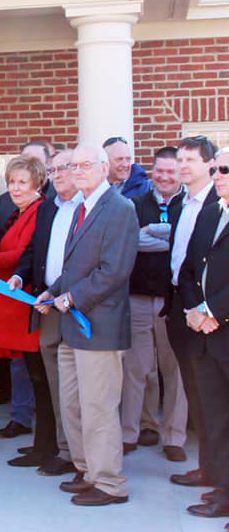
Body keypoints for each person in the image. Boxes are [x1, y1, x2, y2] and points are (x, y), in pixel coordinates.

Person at [35, 143, 139, 506]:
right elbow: (73, 269)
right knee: (74, 406)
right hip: (72, 327)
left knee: (98, 408)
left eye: (85, 165)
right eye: (72, 166)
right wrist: (52, 292)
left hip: (99, 327)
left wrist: (72, 298)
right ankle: (88, 471)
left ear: (104, 167)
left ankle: (110, 484)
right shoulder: (82, 207)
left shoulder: (120, 209)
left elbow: (114, 271)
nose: (78, 171)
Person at [0, 156, 52, 467]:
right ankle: (40, 445)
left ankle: (46, 447)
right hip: (13, 305)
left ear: (37, 184)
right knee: (32, 375)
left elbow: (23, 253)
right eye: (12, 182)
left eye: (22, 182)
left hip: (26, 303)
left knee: (40, 379)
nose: (15, 188)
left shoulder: (39, 211)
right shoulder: (19, 212)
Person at [8, 149, 81, 476]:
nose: (60, 173)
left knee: (77, 389)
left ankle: (74, 455)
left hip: (79, 308)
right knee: (52, 384)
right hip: (48, 306)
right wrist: (22, 277)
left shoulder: (89, 208)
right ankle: (59, 449)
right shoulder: (52, 208)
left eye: (66, 167)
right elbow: (34, 252)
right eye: (55, 169)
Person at [122, 146, 188, 462]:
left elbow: (188, 242)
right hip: (136, 296)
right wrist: (165, 238)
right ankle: (131, 432)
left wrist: (152, 236)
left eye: (171, 172)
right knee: (135, 369)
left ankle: (174, 436)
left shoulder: (190, 206)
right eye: (159, 171)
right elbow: (128, 240)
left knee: (173, 369)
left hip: (172, 301)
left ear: (180, 174)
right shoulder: (135, 204)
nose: (164, 176)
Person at [178, 148, 229, 520]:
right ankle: (222, 487)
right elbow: (188, 270)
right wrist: (195, 310)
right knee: (214, 415)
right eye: (216, 168)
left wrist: (212, 311)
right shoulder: (211, 213)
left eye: (224, 168)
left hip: (223, 329)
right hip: (203, 334)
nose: (217, 174)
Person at [167, 135, 218, 489]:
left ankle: (217, 473)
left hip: (209, 315)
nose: (183, 166)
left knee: (214, 399)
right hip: (178, 307)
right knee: (195, 393)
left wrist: (201, 308)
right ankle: (207, 468)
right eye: (180, 159)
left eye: (191, 160)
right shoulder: (178, 204)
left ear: (209, 166)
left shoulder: (218, 203)